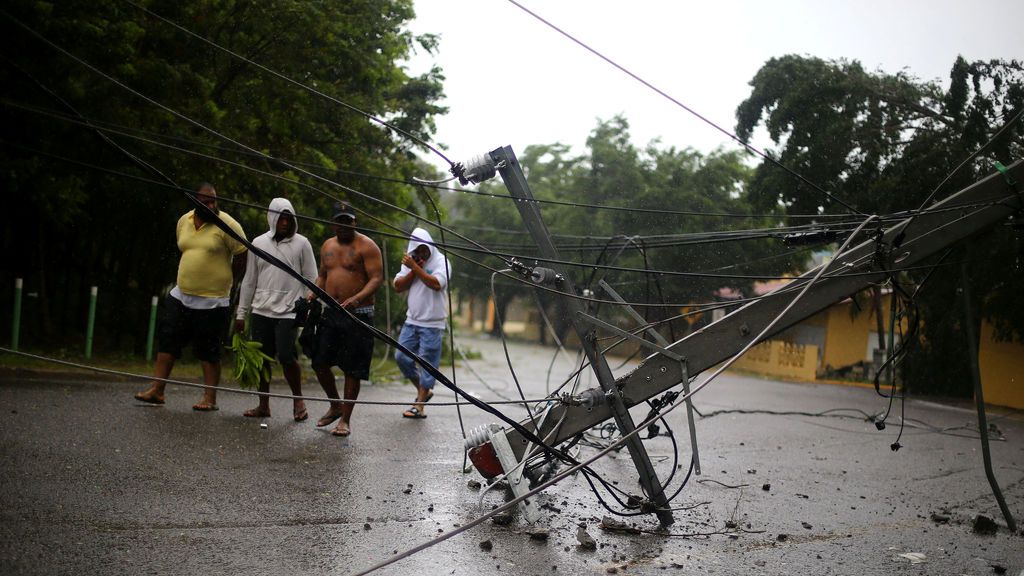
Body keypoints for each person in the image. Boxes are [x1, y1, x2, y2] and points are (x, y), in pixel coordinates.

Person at [135, 183, 247, 410]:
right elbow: (185, 249)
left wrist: (231, 283)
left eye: (214, 200)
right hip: (181, 295)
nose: (211, 205)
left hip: (213, 300)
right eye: (205, 202)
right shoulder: (183, 221)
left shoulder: (227, 224)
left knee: (208, 350)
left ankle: (210, 398)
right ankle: (158, 390)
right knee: (168, 341)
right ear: (194, 202)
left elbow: (243, 255)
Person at [233, 198, 318, 421]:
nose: (284, 222)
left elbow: (312, 278)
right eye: (281, 217)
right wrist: (241, 313)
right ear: (272, 217)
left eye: (288, 218)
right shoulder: (258, 243)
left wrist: (308, 304)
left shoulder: (302, 244)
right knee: (262, 358)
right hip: (261, 309)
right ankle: (263, 405)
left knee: (287, 355)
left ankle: (298, 400)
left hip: (289, 311)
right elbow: (249, 280)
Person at [310, 201, 383, 437]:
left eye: (348, 221)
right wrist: (312, 293)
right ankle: (334, 404)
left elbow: (376, 279)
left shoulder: (367, 246)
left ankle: (345, 419)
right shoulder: (327, 246)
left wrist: (357, 299)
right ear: (333, 224)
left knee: (353, 368)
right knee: (319, 361)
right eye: (339, 221)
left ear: (354, 222)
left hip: (358, 314)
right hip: (331, 312)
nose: (343, 225)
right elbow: (322, 276)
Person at [393, 227, 451, 419]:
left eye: (423, 250)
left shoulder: (442, 262)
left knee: (428, 364)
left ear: (430, 247)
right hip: (412, 320)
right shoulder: (411, 261)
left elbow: (436, 284)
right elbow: (398, 286)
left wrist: (416, 267)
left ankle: (419, 406)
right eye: (417, 251)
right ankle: (423, 390)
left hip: (433, 324)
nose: (421, 254)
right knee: (401, 357)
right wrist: (412, 269)